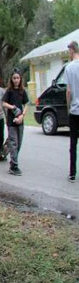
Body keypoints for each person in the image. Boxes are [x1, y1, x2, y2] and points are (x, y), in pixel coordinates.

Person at [2, 70, 29, 176]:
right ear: (11, 79)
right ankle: (14, 165)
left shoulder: (22, 91)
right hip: (11, 122)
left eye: (18, 78)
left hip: (20, 120)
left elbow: (27, 104)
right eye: (14, 78)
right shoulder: (9, 91)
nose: (16, 80)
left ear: (20, 79)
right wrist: (12, 107)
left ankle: (14, 161)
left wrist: (22, 115)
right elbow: (3, 103)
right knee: (13, 142)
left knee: (19, 143)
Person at [66, 41, 79, 183]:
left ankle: (72, 172)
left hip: (75, 111)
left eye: (69, 51)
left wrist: (68, 108)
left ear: (72, 50)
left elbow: (68, 91)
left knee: (73, 142)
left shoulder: (69, 68)